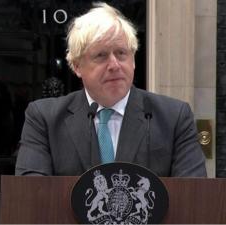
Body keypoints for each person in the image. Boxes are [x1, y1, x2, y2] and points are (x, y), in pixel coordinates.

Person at [15, 2, 207, 177]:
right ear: (76, 66)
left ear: (133, 59)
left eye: (121, 53)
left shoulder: (174, 117)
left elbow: (192, 197)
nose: (114, 64)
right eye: (101, 55)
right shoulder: (44, 119)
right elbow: (33, 196)